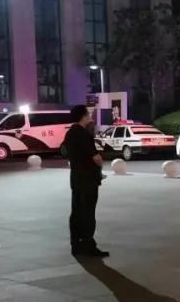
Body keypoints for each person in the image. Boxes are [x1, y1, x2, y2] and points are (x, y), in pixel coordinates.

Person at [66, 104, 109, 257]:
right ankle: (88, 246)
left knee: (76, 212)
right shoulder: (83, 134)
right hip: (88, 179)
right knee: (88, 213)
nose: (90, 115)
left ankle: (76, 245)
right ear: (83, 116)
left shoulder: (69, 133)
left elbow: (66, 153)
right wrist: (100, 167)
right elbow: (96, 157)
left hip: (76, 178)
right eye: (88, 113)